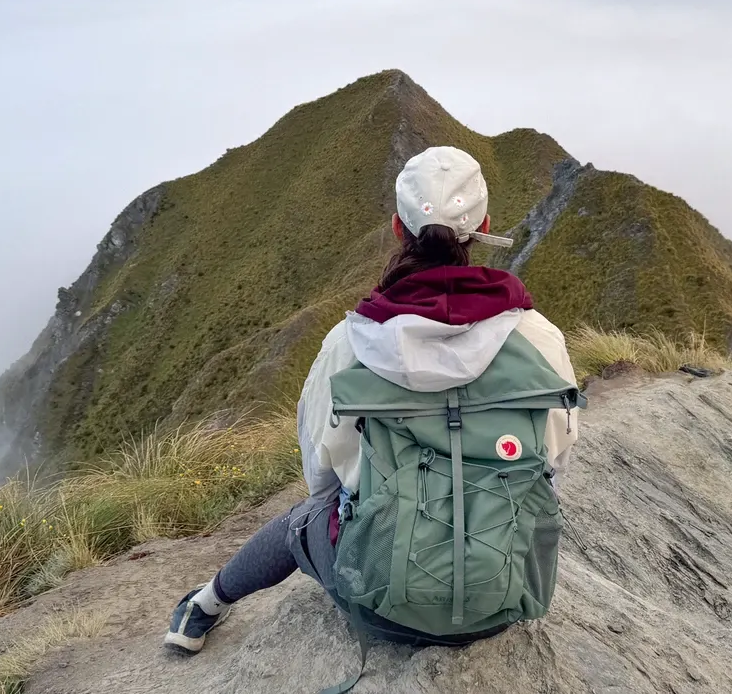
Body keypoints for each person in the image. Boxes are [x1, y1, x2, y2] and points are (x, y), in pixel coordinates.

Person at [165, 146, 582, 674]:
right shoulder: (539, 338)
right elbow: (552, 459)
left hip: (381, 608)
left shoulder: (352, 342)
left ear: (396, 228)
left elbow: (320, 472)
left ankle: (205, 606)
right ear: (485, 227)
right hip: (501, 599)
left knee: (306, 516)